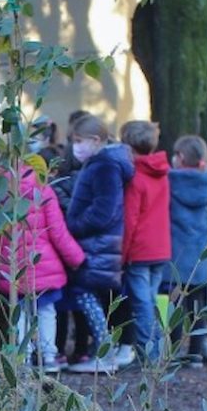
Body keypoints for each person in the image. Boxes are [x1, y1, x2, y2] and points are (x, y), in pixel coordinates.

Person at [0, 139, 83, 372]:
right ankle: (49, 357)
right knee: (46, 312)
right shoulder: (42, 187)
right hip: (45, 264)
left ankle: (23, 355)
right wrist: (76, 258)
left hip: (13, 266)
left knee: (18, 313)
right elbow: (58, 232)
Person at [62, 114, 129, 374]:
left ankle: (105, 351)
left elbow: (104, 210)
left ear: (95, 140)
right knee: (92, 296)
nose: (75, 146)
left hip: (97, 244)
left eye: (79, 141)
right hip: (98, 243)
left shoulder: (105, 166)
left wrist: (74, 225)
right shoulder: (101, 163)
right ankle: (104, 349)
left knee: (86, 294)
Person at [117, 120, 172, 366]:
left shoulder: (135, 178)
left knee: (142, 304)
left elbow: (130, 219)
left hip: (140, 250)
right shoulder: (162, 173)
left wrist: (122, 254)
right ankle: (158, 349)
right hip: (160, 247)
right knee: (150, 300)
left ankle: (150, 356)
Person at [167, 134, 207, 364]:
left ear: (180, 158)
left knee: (175, 304)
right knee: (198, 305)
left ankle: (172, 351)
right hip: (202, 254)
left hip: (176, 253)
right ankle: (196, 350)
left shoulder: (169, 182)